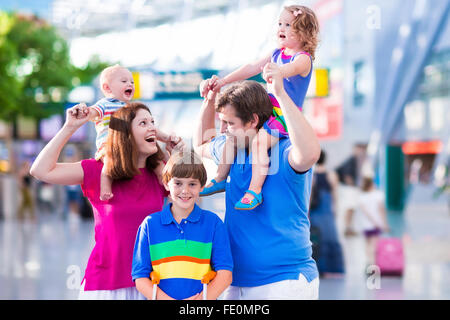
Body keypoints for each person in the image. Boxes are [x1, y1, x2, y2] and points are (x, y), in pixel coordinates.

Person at [30, 102, 184, 299]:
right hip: (105, 284)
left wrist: (178, 155)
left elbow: (192, 194)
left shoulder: (160, 172)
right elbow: (40, 170)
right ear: (125, 134)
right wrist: (70, 127)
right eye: (143, 123)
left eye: (153, 121)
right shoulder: (97, 171)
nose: (152, 127)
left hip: (151, 282)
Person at [193, 61, 321, 299]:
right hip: (235, 282)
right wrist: (209, 100)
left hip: (284, 282)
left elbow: (311, 153)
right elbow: (200, 144)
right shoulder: (232, 148)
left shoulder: (284, 152)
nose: (224, 129)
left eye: (230, 123)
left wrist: (281, 94)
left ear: (252, 121)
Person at [199, 5, 320, 211]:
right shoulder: (276, 53)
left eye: (289, 25)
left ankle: (254, 190)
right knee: (233, 137)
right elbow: (252, 67)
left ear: (303, 32)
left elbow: (289, 70)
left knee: (258, 144)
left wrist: (276, 71)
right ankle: (220, 176)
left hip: (283, 116)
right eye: (280, 23)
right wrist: (223, 81)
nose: (281, 28)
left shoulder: (303, 59)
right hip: (267, 112)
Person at [132, 150, 233, 300]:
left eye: (192, 184)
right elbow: (140, 277)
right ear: (166, 184)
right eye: (178, 183)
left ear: (201, 186)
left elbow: (225, 275)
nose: (185, 191)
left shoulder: (213, 223)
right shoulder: (149, 225)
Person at [83, 64, 175, 201]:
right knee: (109, 163)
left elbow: (151, 129)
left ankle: (166, 182)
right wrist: (85, 111)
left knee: (157, 162)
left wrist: (166, 138)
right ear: (107, 88)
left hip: (128, 145)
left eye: (131, 82)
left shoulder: (131, 108)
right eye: (124, 81)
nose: (130, 84)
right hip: (109, 145)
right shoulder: (106, 104)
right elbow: (93, 113)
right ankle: (106, 188)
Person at [308, 150, 345, 277]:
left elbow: (310, 196)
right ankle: (334, 267)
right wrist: (335, 208)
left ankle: (319, 267)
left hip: (316, 210)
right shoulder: (331, 174)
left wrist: (307, 211)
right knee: (331, 237)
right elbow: (335, 193)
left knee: (316, 238)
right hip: (327, 208)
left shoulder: (311, 174)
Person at [357, 176, 390, 266]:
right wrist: (383, 223)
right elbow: (381, 210)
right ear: (371, 184)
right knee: (374, 245)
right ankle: (373, 263)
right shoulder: (378, 195)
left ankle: (368, 262)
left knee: (367, 244)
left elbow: (364, 211)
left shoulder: (362, 197)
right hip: (376, 224)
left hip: (365, 225)